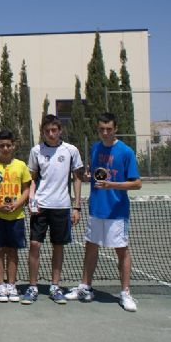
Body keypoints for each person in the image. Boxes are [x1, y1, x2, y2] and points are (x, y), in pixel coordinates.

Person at [65, 112, 141, 312]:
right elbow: (97, 174)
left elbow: (137, 183)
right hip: (96, 209)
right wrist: (90, 176)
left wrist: (111, 184)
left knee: (122, 251)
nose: (105, 133)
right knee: (90, 247)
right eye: (101, 129)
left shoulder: (126, 152)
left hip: (117, 212)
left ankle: (125, 293)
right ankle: (85, 287)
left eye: (108, 129)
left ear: (115, 129)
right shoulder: (96, 147)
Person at [22, 114, 83, 305]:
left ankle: (55, 286)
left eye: (54, 130)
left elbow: (77, 178)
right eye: (47, 131)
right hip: (40, 207)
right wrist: (31, 201)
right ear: (43, 132)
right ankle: (32, 287)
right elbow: (31, 178)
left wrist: (77, 206)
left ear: (60, 130)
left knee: (58, 246)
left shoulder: (71, 150)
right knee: (35, 245)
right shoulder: (36, 151)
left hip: (62, 206)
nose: (50, 134)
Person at [0, 130, 31, 303]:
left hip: (16, 216)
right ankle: (0, 285)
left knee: (13, 251)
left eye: (8, 145)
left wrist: (18, 204)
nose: (5, 148)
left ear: (13, 145)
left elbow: (26, 189)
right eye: (2, 145)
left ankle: (11, 284)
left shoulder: (21, 165)